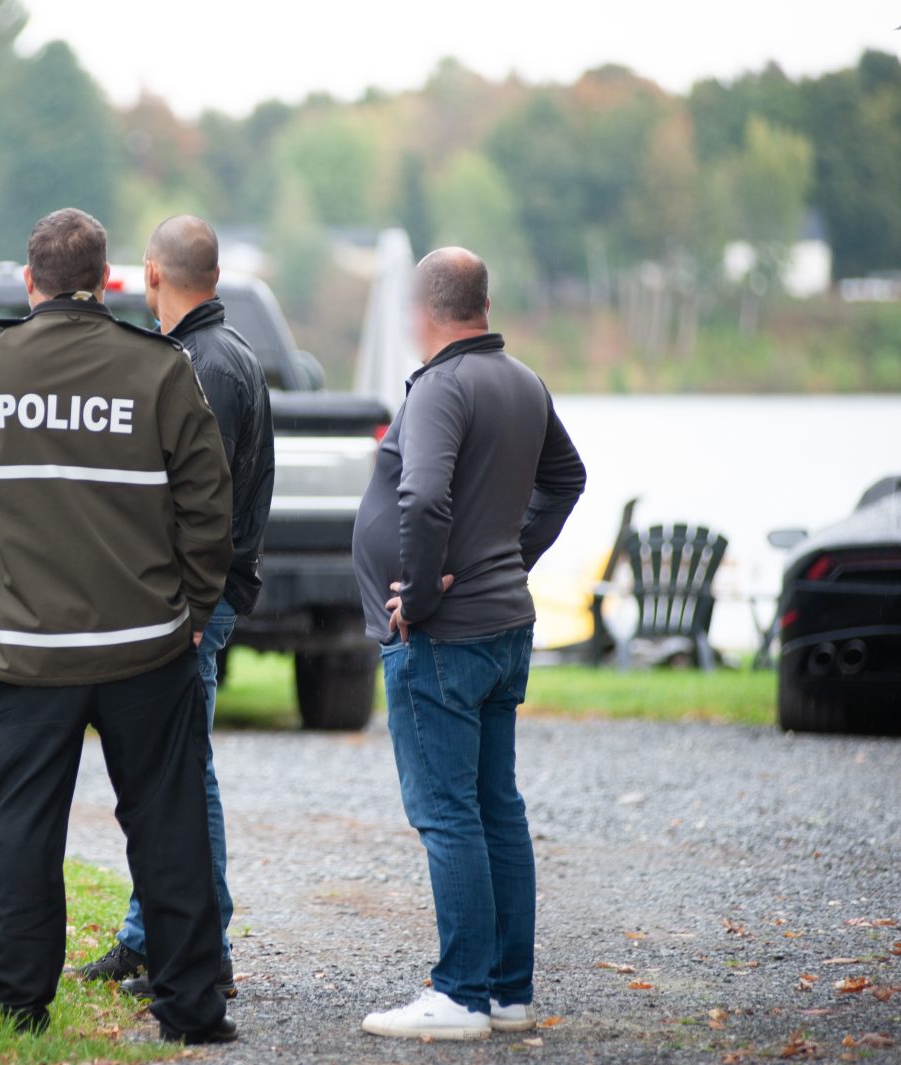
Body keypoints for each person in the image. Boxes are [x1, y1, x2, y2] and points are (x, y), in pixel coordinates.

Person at [0, 207, 240, 1045]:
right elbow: (210, 503)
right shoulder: (161, 369)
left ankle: (18, 1001)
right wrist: (196, 609)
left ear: (30, 283)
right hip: (146, 648)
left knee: (25, 831)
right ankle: (193, 1008)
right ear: (110, 281)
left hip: (27, 653)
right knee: (167, 830)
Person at [352, 247, 586, 1041]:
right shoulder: (524, 381)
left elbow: (422, 494)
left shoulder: (441, 387)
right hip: (505, 626)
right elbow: (569, 478)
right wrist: (511, 557)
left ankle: (459, 995)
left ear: (422, 310)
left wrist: (416, 596)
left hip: (444, 637)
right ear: (483, 303)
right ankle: (508, 992)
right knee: (495, 806)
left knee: (449, 812)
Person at [75, 215, 275, 1002]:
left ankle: (203, 947)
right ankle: (146, 932)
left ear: (151, 276)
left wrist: (191, 605)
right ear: (214, 277)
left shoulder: (208, 367)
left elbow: (206, 505)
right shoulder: (208, 355)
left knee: (185, 777)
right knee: (166, 774)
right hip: (188, 597)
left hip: (193, 601)